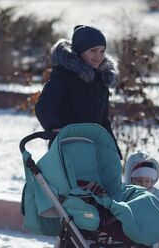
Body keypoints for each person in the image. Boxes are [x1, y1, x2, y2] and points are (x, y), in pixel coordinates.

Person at [35, 25, 121, 156]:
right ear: (80, 51)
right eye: (93, 50)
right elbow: (44, 105)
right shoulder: (63, 76)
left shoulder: (101, 81)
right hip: (66, 147)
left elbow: (104, 121)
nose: (98, 56)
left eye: (102, 51)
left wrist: (113, 152)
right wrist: (54, 127)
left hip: (94, 148)